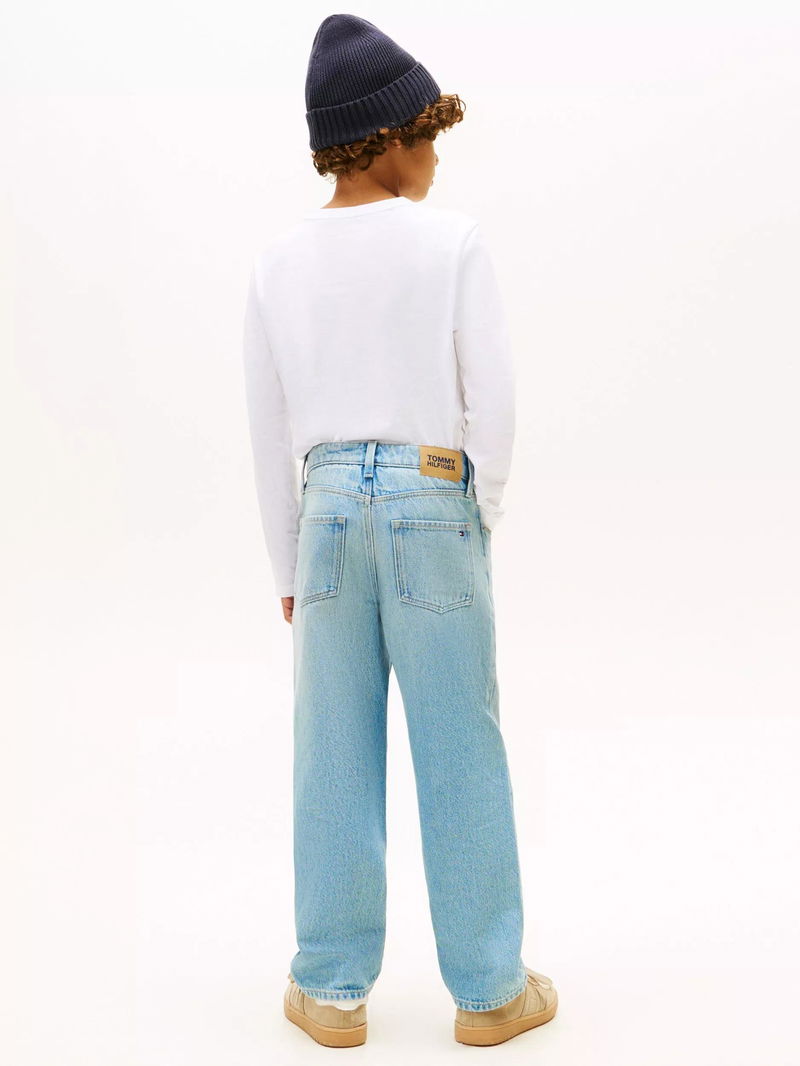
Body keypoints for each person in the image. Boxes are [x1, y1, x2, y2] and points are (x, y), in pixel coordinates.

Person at [242, 13, 558, 1049]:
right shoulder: (451, 242)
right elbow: (491, 401)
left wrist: (286, 562)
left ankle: (330, 990)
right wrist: (476, 511)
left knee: (330, 749)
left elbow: (268, 428)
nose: (433, 154)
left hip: (326, 510)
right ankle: (490, 991)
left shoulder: (277, 262)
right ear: (381, 140)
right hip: (433, 499)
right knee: (461, 741)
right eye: (424, 133)